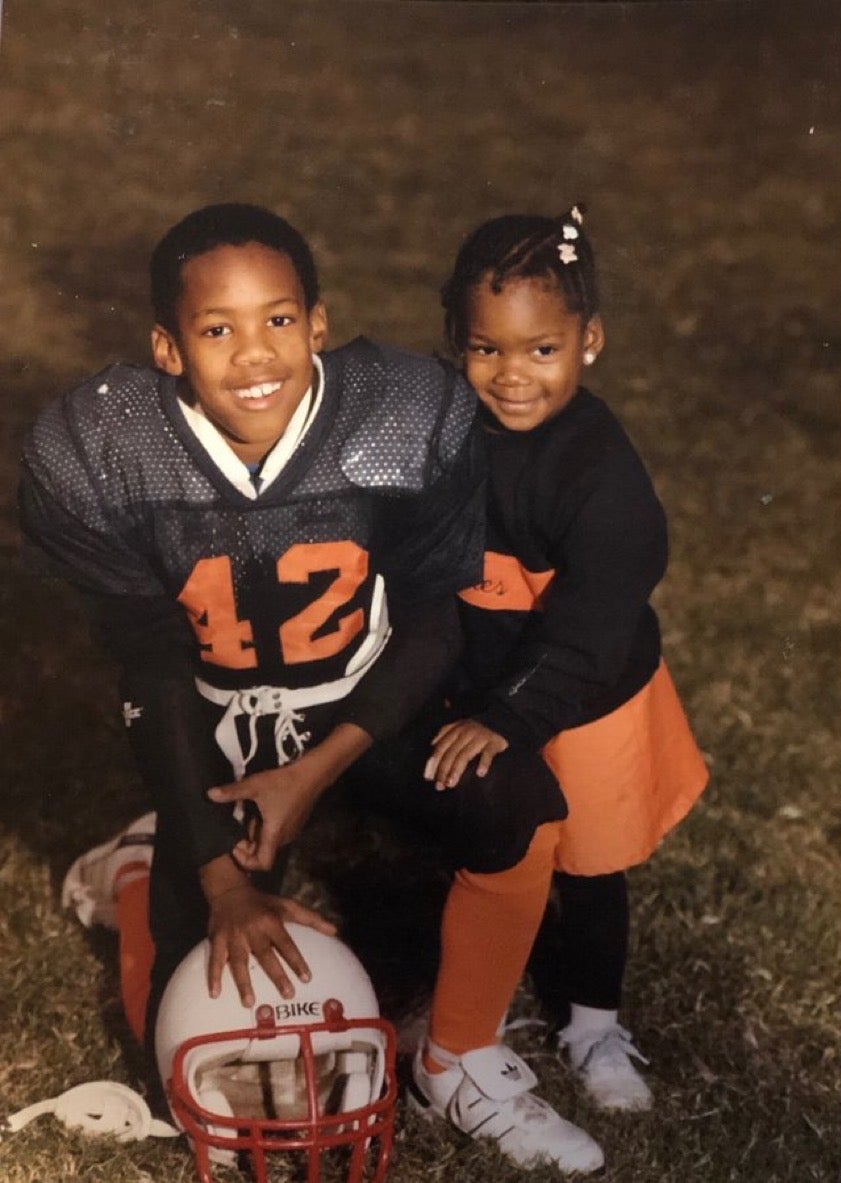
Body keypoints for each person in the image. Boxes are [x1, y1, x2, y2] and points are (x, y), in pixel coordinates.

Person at [21, 203, 604, 1176]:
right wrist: (216, 876)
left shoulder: (403, 413)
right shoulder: (100, 450)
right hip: (212, 715)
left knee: (518, 803)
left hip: (367, 699)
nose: (255, 354)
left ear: (319, 324)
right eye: (217, 329)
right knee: (186, 1023)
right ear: (168, 347)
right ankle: (136, 871)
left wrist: (320, 767)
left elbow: (432, 617)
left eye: (279, 320)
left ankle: (461, 1051)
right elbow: (152, 659)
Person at [425, 208, 709, 1113]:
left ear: (589, 342)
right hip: (483, 672)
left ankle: (592, 1021)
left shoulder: (600, 477)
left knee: (587, 866)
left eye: (540, 350)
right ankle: (471, 998)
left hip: (584, 690)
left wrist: (509, 717)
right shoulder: (443, 423)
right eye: (484, 350)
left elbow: (589, 630)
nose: (511, 376)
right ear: (455, 344)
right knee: (489, 838)